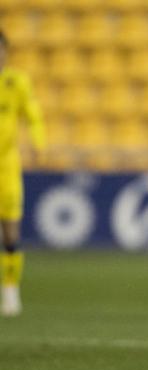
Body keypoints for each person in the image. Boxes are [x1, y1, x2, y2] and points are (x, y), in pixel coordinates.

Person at [0, 30, 46, 317]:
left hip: (7, 165)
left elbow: (32, 115)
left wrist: (38, 144)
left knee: (10, 232)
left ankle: (10, 291)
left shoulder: (16, 81)